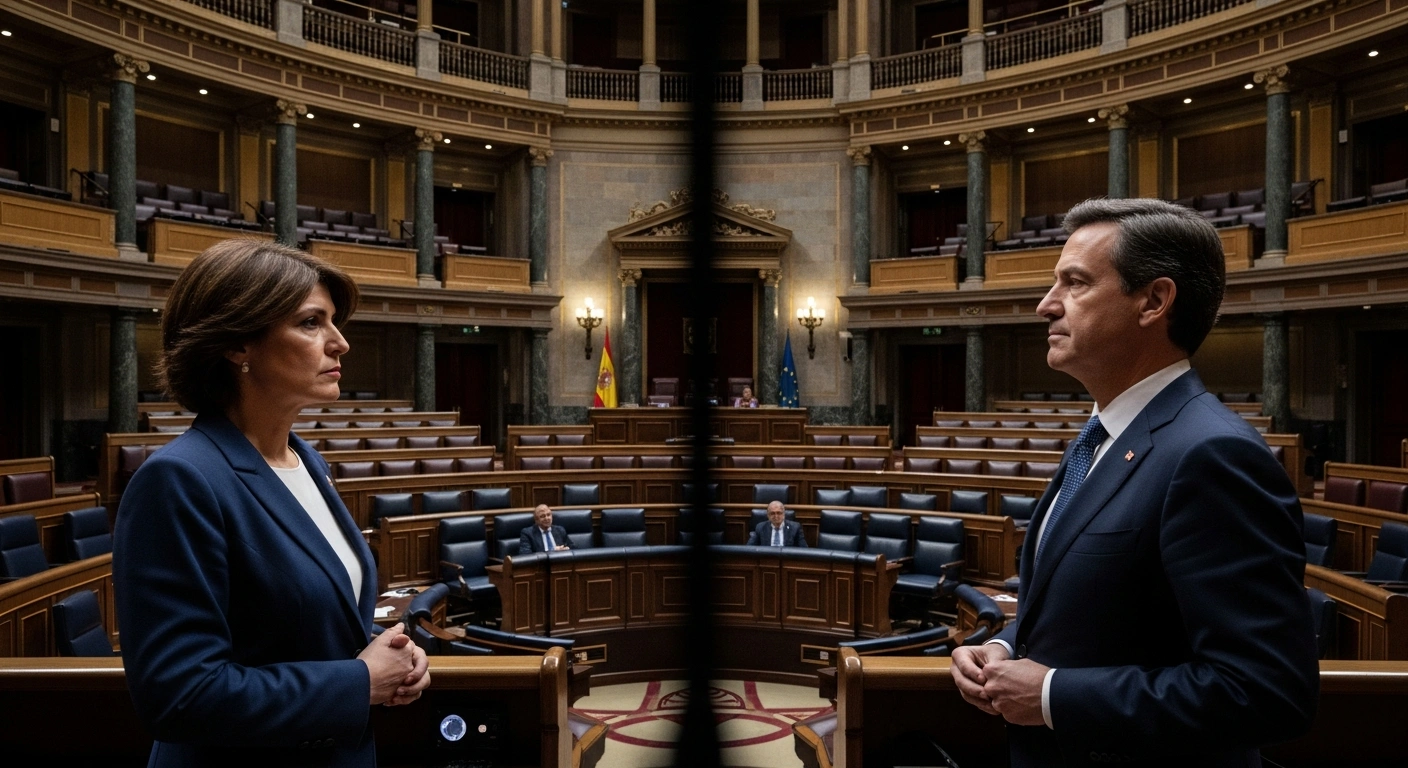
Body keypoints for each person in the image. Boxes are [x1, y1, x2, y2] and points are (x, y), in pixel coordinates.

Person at [950, 198, 1318, 767]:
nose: (1046, 304)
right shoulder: (1102, 436)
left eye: (1075, 283)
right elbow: (1102, 610)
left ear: (1153, 301)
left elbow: (1266, 691)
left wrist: (1052, 696)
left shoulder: (1212, 454)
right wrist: (1003, 646)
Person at [113, 239, 430, 767]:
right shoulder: (180, 479)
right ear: (238, 344)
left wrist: (393, 655)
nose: (340, 343)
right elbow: (180, 695)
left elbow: (288, 622)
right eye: (311, 323)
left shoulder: (308, 463)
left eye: (333, 322)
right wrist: (359, 681)